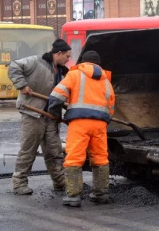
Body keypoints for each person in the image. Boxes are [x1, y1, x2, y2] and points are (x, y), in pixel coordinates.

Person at [48, 50, 115, 208]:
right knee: (100, 157)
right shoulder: (106, 80)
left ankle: (73, 196)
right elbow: (111, 107)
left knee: (74, 158)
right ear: (98, 64)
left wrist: (56, 115)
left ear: (82, 62)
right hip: (100, 124)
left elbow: (56, 96)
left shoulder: (75, 75)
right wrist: (104, 121)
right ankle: (101, 194)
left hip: (79, 123)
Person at [7, 39, 71, 195]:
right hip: (33, 113)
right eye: (67, 56)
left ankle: (60, 182)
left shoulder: (62, 71)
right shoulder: (36, 61)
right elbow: (13, 66)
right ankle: (19, 183)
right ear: (59, 53)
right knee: (28, 149)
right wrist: (21, 85)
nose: (68, 59)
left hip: (50, 115)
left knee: (54, 151)